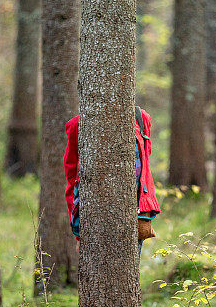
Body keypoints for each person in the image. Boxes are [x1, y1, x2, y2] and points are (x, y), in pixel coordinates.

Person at [64, 106, 161, 259]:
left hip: (135, 215)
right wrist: (78, 230)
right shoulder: (78, 124)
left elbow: (145, 166)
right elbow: (73, 176)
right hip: (95, 218)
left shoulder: (140, 118)